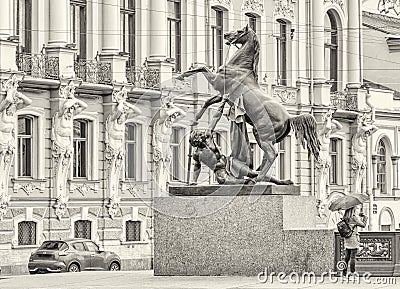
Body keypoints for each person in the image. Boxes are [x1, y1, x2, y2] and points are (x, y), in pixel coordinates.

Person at [342, 204, 368, 278]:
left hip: (347, 238)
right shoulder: (354, 218)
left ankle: (344, 273)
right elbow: (363, 225)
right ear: (352, 209)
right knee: (352, 258)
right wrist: (365, 217)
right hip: (353, 238)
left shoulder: (345, 217)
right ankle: (352, 273)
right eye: (355, 208)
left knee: (346, 258)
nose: (356, 210)